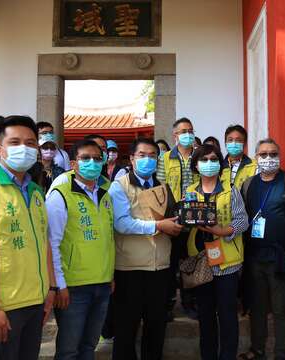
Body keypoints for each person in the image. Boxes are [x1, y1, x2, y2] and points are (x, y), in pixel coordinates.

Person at [0, 115, 57, 360]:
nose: (24, 148)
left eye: (30, 143)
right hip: (3, 307)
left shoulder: (36, 192)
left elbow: (44, 241)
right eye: (15, 142)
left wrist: (50, 288)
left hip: (35, 302)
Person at [109, 138, 183, 360]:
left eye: (152, 155)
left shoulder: (162, 187)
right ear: (131, 159)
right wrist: (159, 226)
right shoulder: (119, 186)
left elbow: (170, 219)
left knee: (156, 326)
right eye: (142, 155)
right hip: (130, 268)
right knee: (126, 328)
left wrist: (177, 225)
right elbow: (121, 223)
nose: (147, 159)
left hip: (160, 267)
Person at [46, 139, 115, 360]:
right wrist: (59, 285)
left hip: (102, 283)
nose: (92, 163)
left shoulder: (106, 191)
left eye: (97, 158)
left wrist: (110, 275)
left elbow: (108, 238)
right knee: (68, 350)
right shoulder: (61, 193)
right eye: (86, 158)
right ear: (74, 164)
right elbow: (52, 242)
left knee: (89, 346)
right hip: (73, 287)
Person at [239, 138, 285, 360]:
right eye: (263, 154)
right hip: (254, 257)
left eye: (273, 154)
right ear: (256, 157)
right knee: (257, 309)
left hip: (281, 259)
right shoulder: (248, 185)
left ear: (279, 156)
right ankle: (258, 350)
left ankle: (281, 353)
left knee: (281, 309)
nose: (268, 158)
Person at [186, 144, 248, 360]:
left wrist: (222, 231)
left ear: (220, 163)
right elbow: (187, 220)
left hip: (227, 263)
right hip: (201, 261)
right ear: (196, 165)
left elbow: (242, 221)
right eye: (204, 160)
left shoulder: (231, 190)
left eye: (213, 159)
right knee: (205, 315)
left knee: (228, 315)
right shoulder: (191, 192)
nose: (209, 163)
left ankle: (227, 356)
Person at [157, 117, 199, 318]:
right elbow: (160, 188)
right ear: (175, 136)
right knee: (170, 263)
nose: (187, 134)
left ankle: (189, 302)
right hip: (171, 219)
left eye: (190, 130)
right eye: (183, 131)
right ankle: (167, 303)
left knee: (190, 261)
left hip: (194, 217)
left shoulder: (200, 157)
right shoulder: (164, 158)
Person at [220, 125, 257, 189]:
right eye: (230, 140)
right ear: (225, 143)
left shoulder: (255, 165)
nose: (233, 143)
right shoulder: (219, 166)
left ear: (245, 144)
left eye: (238, 140)